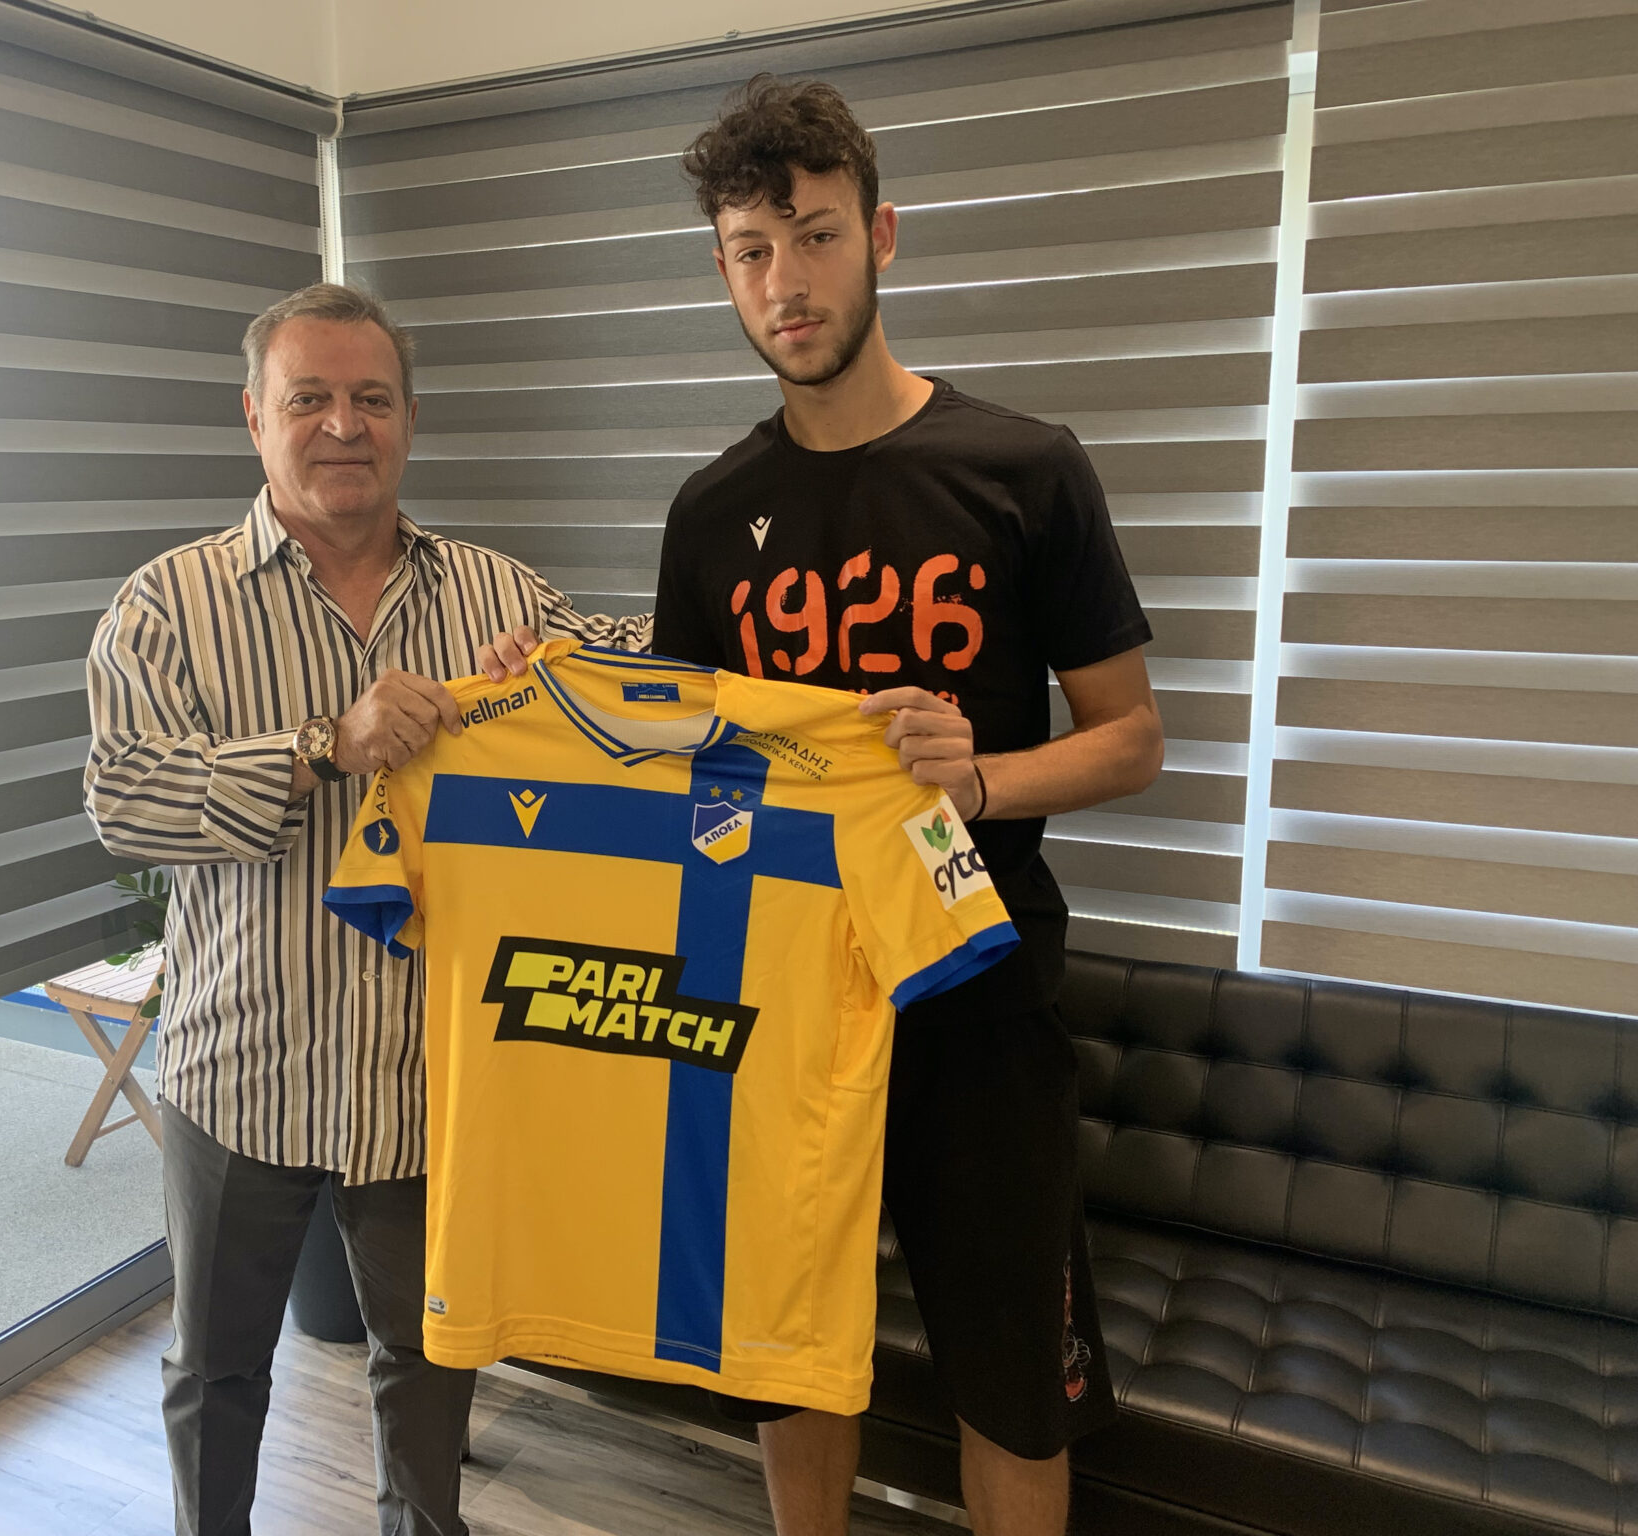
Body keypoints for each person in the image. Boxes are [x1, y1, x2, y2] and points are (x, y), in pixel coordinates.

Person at [482, 76, 1163, 1536]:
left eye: (814, 234)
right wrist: (536, 695)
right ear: (720, 268)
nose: (784, 282)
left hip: (978, 997)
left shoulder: (1025, 470)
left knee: (1011, 1387)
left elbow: (1132, 742)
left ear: (882, 235)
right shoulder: (707, 512)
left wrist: (978, 777)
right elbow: (683, 759)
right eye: (750, 249)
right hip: (777, 1001)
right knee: (790, 1360)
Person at [84, 282, 644, 1536]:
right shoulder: (166, 605)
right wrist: (318, 747)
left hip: (427, 1082)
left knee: (431, 1370)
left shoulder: (495, 595)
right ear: (254, 417)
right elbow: (123, 800)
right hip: (243, 1076)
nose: (343, 425)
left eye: (371, 398)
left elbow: (642, 673)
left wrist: (571, 677)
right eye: (310, 399)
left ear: (408, 419)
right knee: (215, 1375)